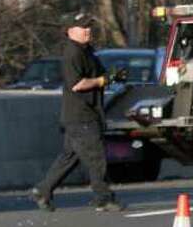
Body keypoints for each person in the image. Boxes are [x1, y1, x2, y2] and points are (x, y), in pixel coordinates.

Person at [31, 13, 126, 212]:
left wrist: (112, 76)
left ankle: (43, 190)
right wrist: (102, 81)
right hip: (81, 115)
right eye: (83, 27)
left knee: (69, 158)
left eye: (89, 26)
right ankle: (103, 198)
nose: (88, 30)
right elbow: (77, 84)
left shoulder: (87, 51)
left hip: (83, 114)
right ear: (70, 31)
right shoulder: (72, 53)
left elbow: (100, 75)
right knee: (97, 157)